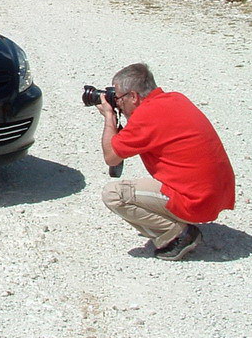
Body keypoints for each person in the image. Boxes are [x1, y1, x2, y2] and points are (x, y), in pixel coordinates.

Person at [97, 63, 235, 261]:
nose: (117, 103)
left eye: (118, 98)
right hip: (217, 196)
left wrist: (109, 116)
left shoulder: (147, 116)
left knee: (113, 195)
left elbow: (111, 156)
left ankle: (179, 234)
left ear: (133, 96)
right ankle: (179, 223)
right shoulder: (176, 99)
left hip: (197, 203)